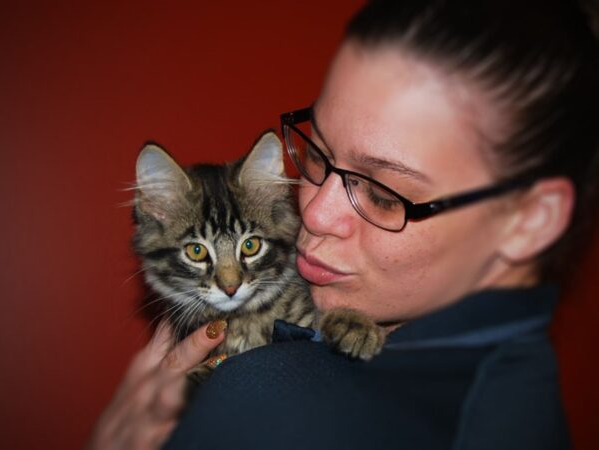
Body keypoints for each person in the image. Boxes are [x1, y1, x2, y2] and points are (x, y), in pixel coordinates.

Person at [86, 0, 599, 448]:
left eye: (383, 192)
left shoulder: (271, 406)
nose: (311, 213)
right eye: (317, 155)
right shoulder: (523, 394)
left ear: (531, 219)